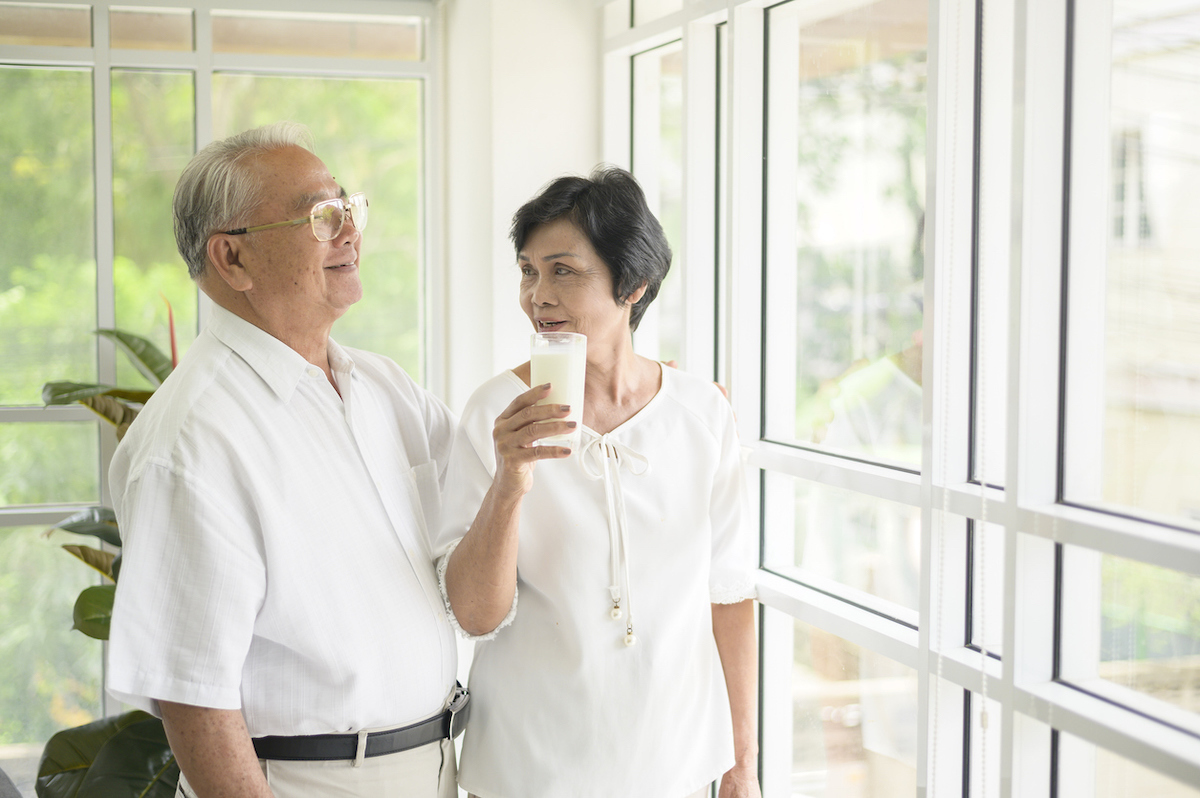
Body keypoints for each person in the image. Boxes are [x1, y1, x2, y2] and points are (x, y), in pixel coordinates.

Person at [106, 122, 464, 798]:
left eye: (348, 208)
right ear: (232, 259)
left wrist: (633, 392)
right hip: (303, 782)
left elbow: (489, 471)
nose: (352, 233)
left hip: (437, 768)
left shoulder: (381, 386)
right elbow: (194, 698)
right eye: (322, 217)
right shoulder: (192, 437)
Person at [436, 167, 761, 798]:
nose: (538, 295)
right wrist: (511, 480)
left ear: (634, 284)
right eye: (528, 271)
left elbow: (730, 597)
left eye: (564, 271)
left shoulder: (701, 414)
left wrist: (741, 766)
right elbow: (475, 615)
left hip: (678, 766)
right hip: (527, 771)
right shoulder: (493, 414)